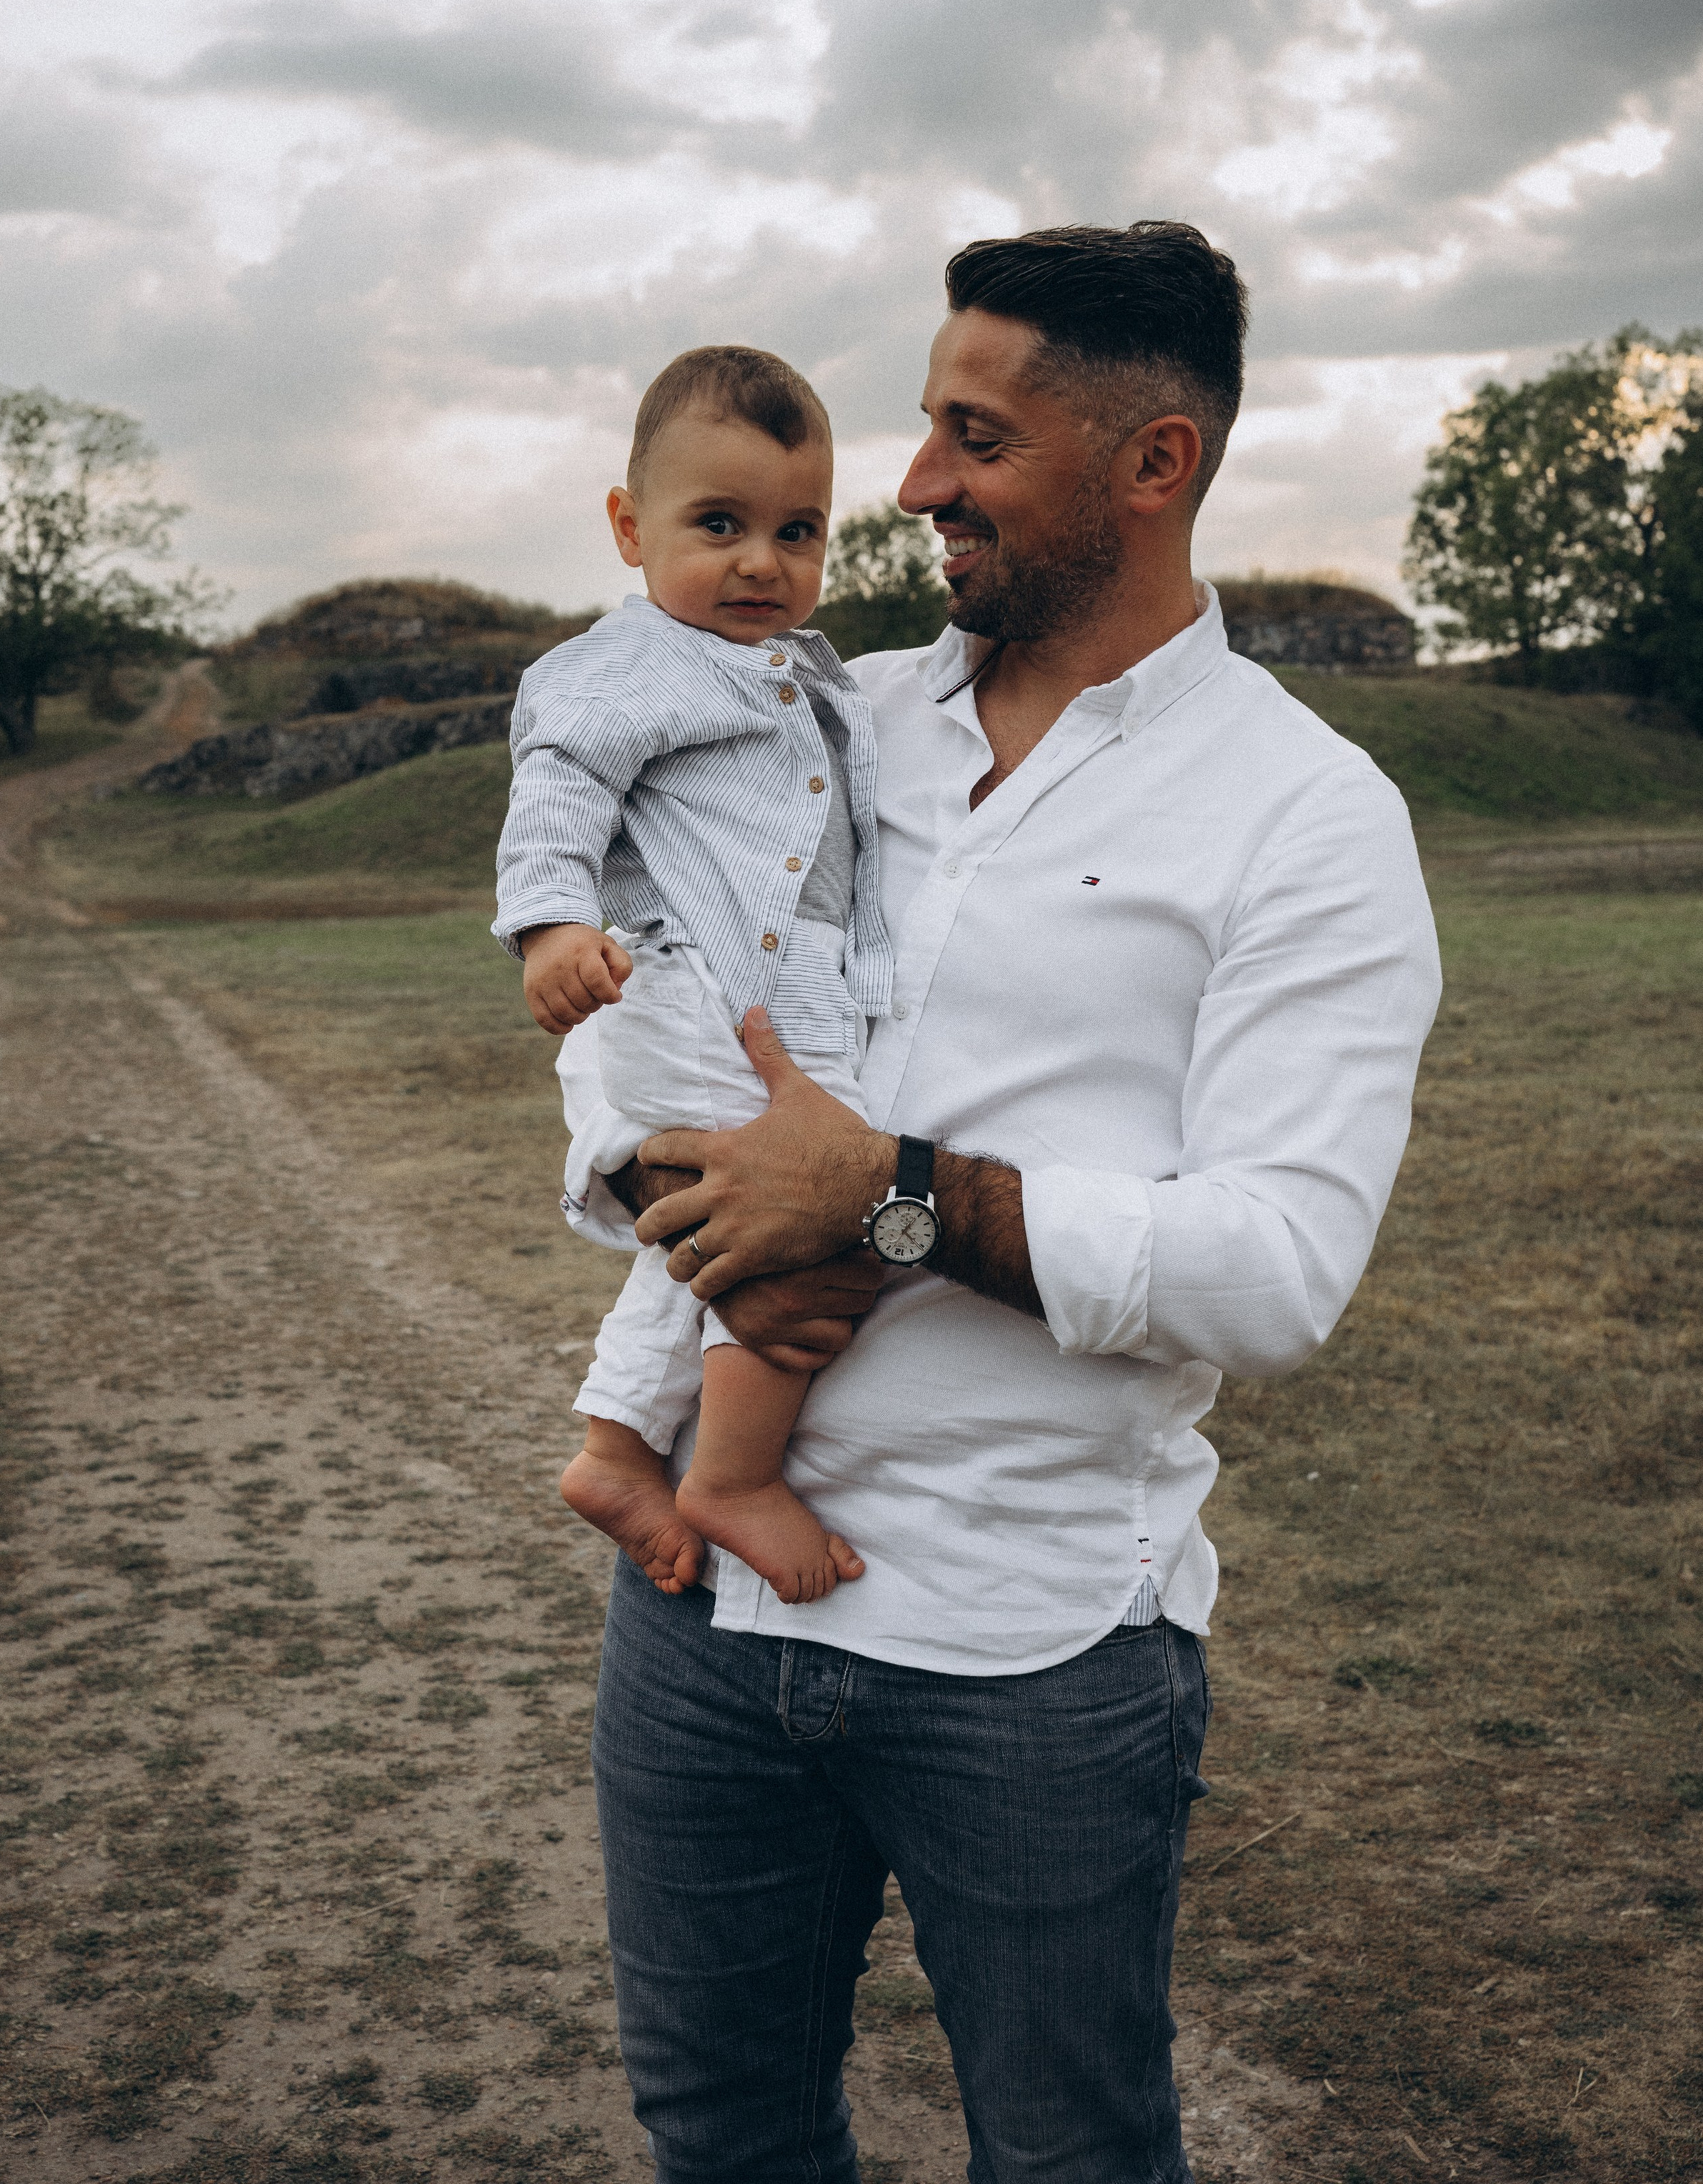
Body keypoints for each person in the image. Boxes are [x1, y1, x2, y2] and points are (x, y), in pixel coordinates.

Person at [553, 221, 1442, 2184]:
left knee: (1067, 2156)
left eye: (975, 437)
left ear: (1153, 464)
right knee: (719, 2136)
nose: (913, 484)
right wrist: (663, 1186)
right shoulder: (811, 724)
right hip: (696, 1618)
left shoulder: (1308, 818)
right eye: (924, 425)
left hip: (1029, 1655)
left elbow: (1275, 1270)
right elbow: (627, 991)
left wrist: (887, 1205)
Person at [494, 344, 899, 1605]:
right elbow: (557, 789)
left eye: (797, 531)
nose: (761, 562)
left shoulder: (802, 676)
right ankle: (731, 1476)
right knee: (796, 1226)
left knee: (724, 1231)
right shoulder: (628, 667)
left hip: (766, 998)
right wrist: (552, 928)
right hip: (688, 987)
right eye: (718, 525)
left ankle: (619, 1450)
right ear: (630, 528)